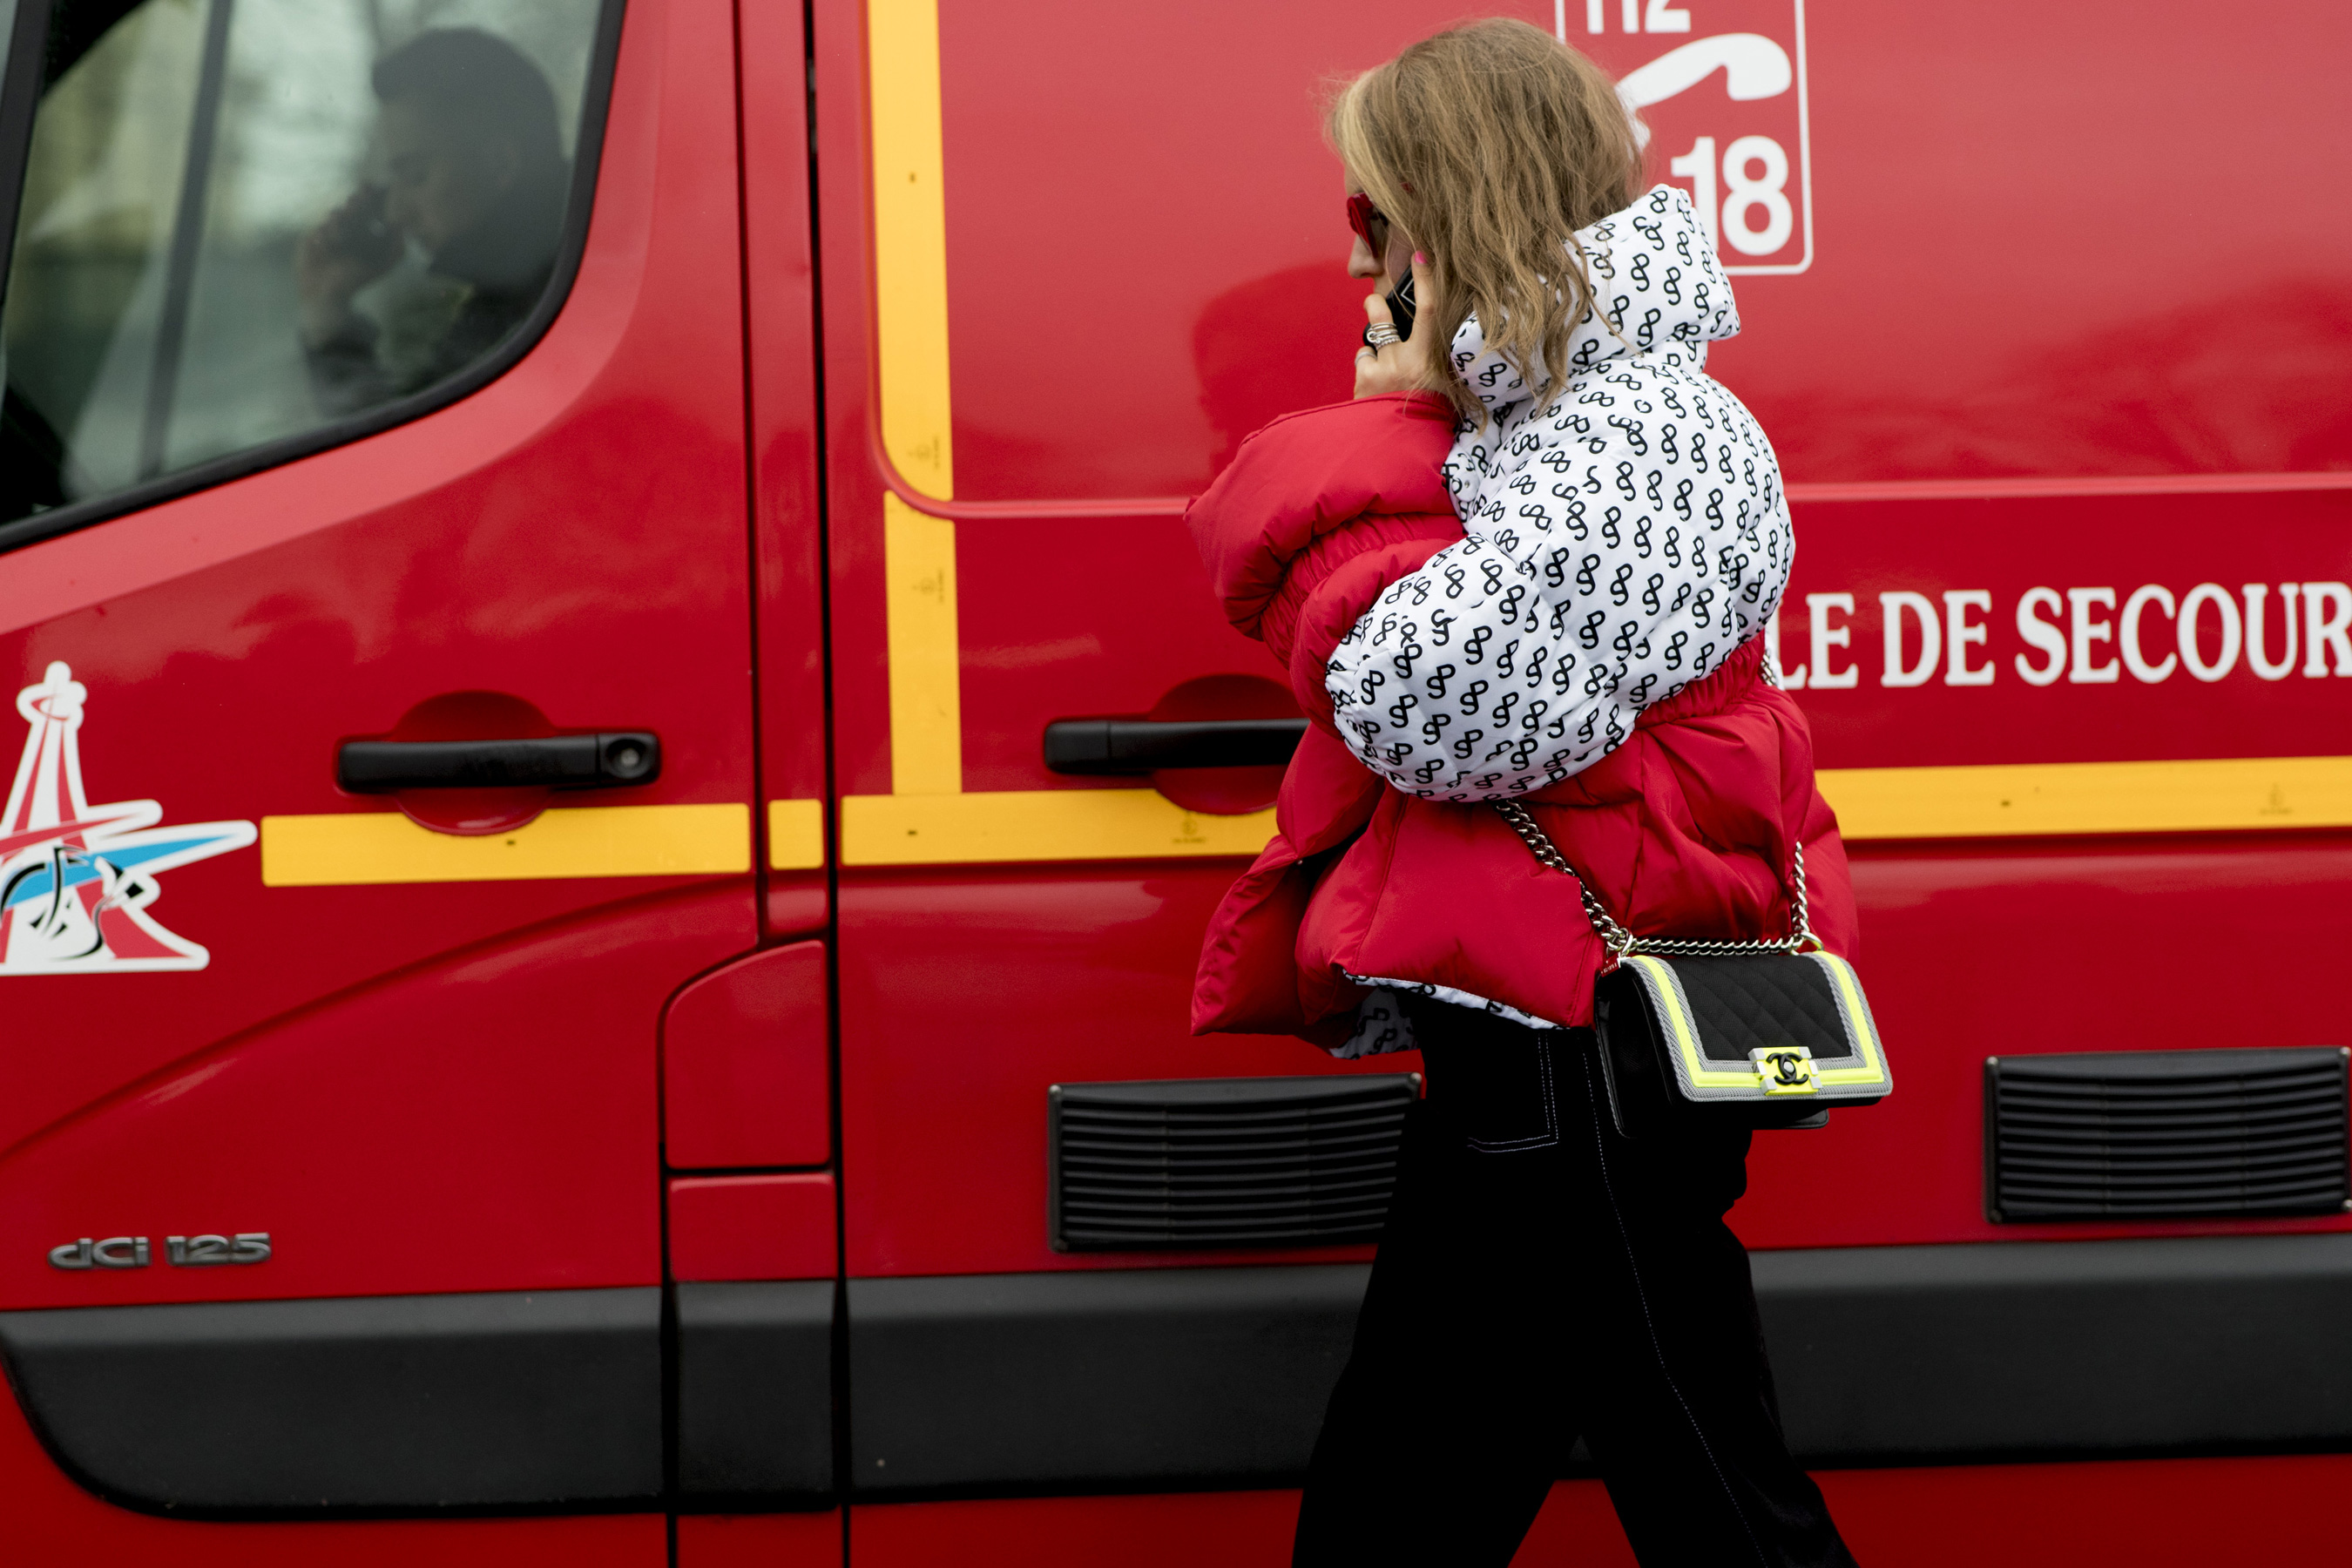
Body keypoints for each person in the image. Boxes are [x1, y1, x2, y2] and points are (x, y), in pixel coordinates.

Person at [1183, 19, 1860, 1566]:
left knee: (1709, 1488)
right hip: (1513, 1041)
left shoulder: (1646, 432)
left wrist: (1372, 439)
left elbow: (1432, 710)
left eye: (1378, 230)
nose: (1361, 277)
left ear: (1454, 219)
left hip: (1588, 1057)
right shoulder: (1546, 422)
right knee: (1399, 1493)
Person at [296, 29, 571, 415]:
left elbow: (397, 456)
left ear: (500, 163)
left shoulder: (532, 320)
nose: (395, 213)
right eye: (391, 186)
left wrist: (327, 318)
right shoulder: (531, 298)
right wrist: (329, 302)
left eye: (416, 176)